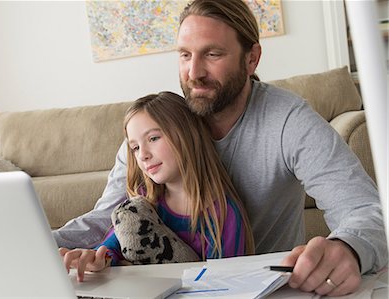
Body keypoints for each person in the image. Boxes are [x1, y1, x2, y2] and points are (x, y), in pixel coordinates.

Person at [54, 0, 387, 296]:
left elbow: (364, 209)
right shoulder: (158, 123)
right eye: (185, 55)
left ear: (251, 58)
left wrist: (350, 248)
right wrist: (41, 244)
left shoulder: (288, 120)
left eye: (212, 54)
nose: (193, 73)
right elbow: (107, 217)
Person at [59, 92, 254, 281]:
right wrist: (96, 259)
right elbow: (110, 249)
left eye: (153, 138)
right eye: (135, 147)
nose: (142, 154)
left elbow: (225, 286)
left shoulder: (222, 215)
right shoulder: (143, 204)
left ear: (187, 135)